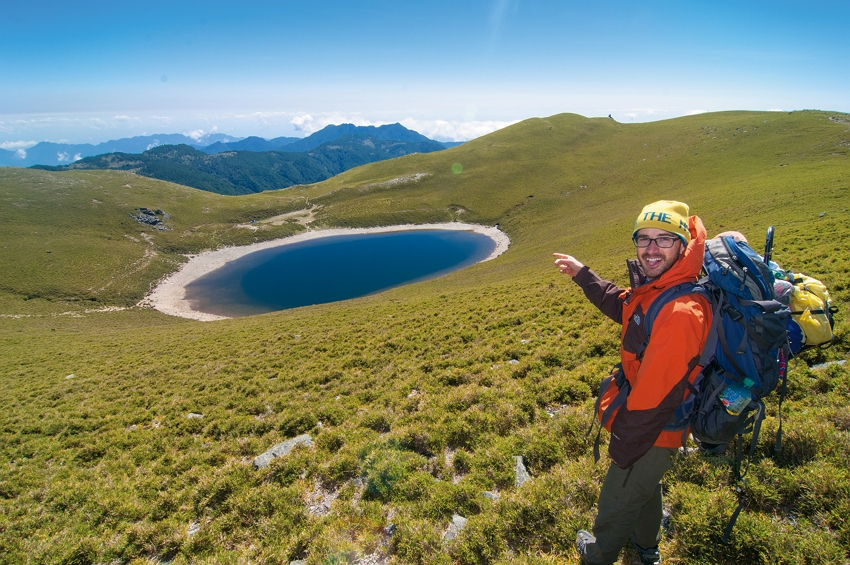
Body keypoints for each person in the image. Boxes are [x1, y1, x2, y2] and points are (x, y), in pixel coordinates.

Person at [553, 201, 712, 565]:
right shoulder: (660, 288)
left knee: (618, 496)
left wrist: (623, 445)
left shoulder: (680, 311)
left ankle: (598, 554)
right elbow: (627, 308)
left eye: (664, 240)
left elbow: (655, 397)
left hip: (654, 425)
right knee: (645, 486)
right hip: (653, 422)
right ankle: (646, 548)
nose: (651, 249)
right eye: (644, 239)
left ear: (682, 245)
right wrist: (583, 275)